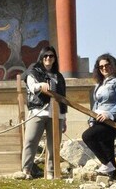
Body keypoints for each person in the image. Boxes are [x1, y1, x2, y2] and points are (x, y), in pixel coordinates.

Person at [21, 46, 67, 179]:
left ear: (54, 58)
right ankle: (26, 170)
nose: (48, 58)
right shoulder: (33, 71)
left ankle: (51, 172)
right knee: (30, 140)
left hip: (56, 113)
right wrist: (41, 85)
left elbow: (63, 97)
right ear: (41, 57)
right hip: (38, 111)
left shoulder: (59, 76)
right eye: (45, 56)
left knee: (53, 145)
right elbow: (32, 87)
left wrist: (64, 118)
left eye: (51, 56)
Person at [82, 53, 116, 180]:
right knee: (107, 148)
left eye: (107, 65)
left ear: (113, 65)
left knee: (87, 136)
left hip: (115, 120)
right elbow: (97, 104)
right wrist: (91, 119)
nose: (104, 68)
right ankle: (113, 179)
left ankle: (106, 165)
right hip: (99, 119)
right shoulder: (99, 84)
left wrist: (110, 114)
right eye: (100, 66)